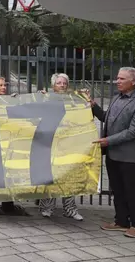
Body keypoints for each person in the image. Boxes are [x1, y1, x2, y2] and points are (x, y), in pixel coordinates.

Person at [90, 67, 135, 238]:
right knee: (117, 189)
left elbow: (134, 131)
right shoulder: (116, 98)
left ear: (133, 82)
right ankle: (122, 221)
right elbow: (107, 118)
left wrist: (108, 140)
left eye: (122, 79)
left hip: (129, 156)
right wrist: (94, 106)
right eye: (117, 78)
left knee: (131, 191)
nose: (118, 81)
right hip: (113, 154)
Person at [37, 73, 83, 221]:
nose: (62, 85)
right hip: (50, 143)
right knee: (50, 176)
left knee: (68, 175)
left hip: (68, 144)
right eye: (59, 83)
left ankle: (70, 209)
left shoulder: (73, 100)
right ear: (52, 86)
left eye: (64, 83)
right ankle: (47, 207)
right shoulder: (46, 99)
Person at [0, 77, 29, 216]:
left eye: (5, 85)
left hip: (8, 142)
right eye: (0, 85)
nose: (4, 87)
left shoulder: (10, 100)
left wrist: (16, 101)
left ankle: (8, 204)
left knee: (9, 173)